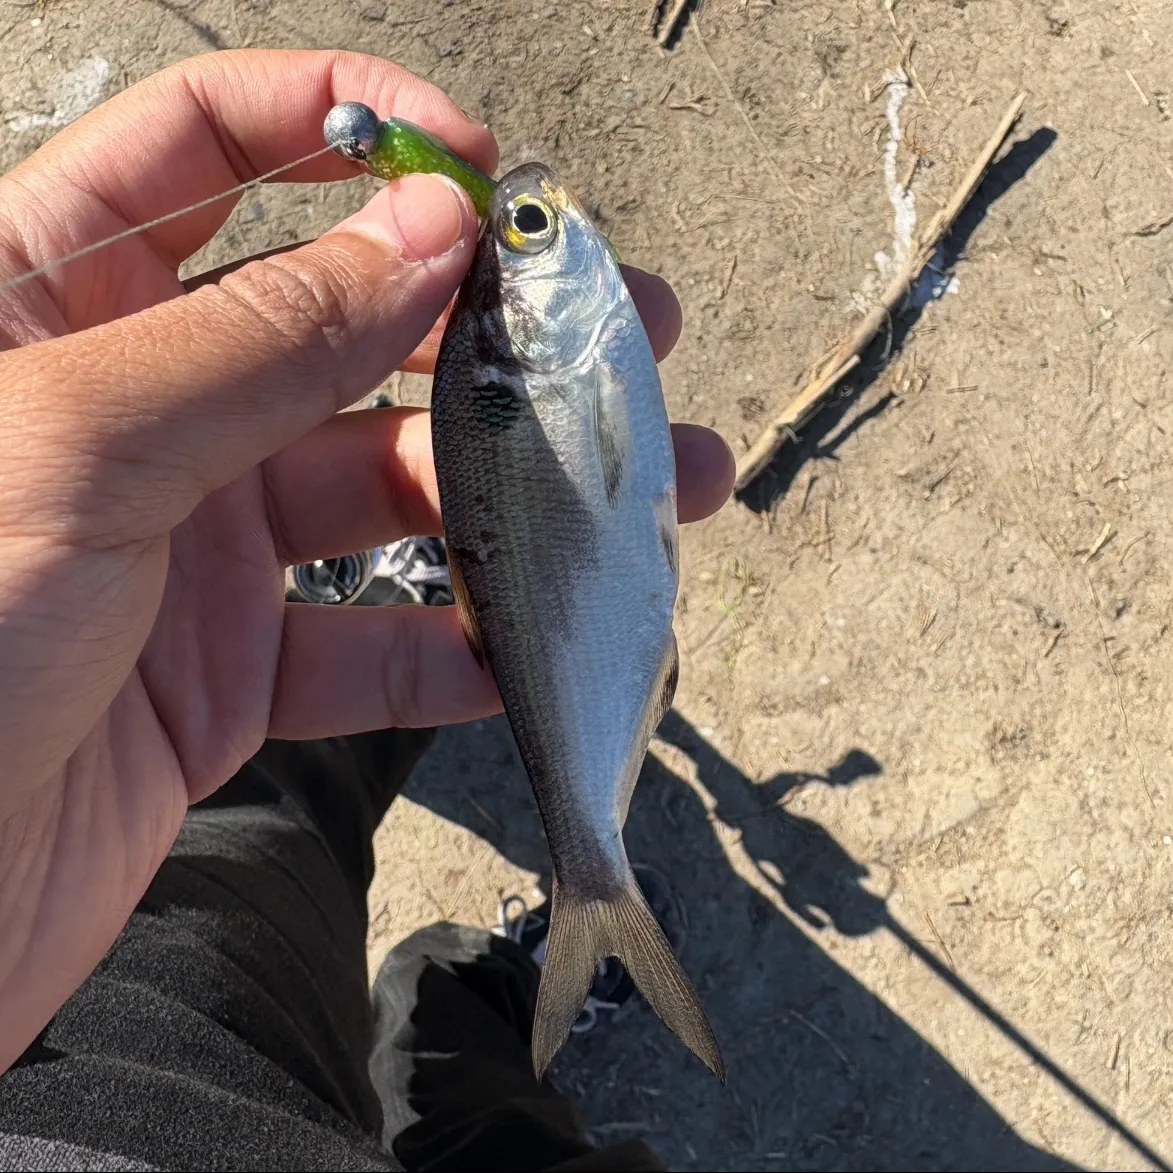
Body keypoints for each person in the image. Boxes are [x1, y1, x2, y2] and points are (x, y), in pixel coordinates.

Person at [0, 49, 734, 1172]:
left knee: (253, 842)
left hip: (84, 1017)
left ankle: (476, 969)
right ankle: (509, 957)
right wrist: (312, 300)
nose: (540, 221)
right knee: (275, 858)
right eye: (531, 230)